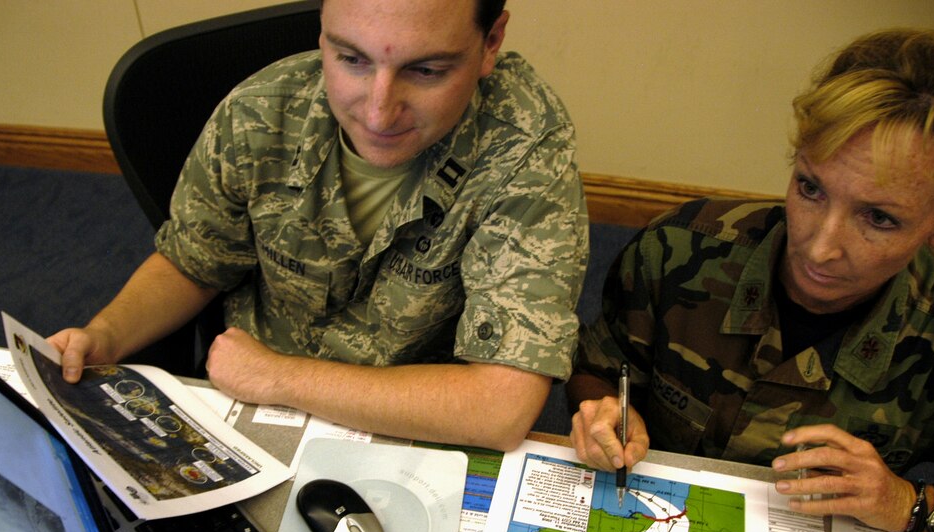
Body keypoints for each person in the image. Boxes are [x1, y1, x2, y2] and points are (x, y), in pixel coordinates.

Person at [49, 0, 589, 452]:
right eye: (351, 58)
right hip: (249, 413)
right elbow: (195, 262)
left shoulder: (523, 147)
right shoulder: (261, 111)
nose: (378, 113)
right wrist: (107, 334)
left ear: (491, 42)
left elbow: (499, 406)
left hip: (411, 432)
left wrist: (279, 377)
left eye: (426, 71)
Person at [567, 28, 934, 532]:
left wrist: (907, 504)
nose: (820, 247)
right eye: (810, 188)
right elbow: (599, 369)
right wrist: (602, 411)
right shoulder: (678, 250)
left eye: (879, 218)